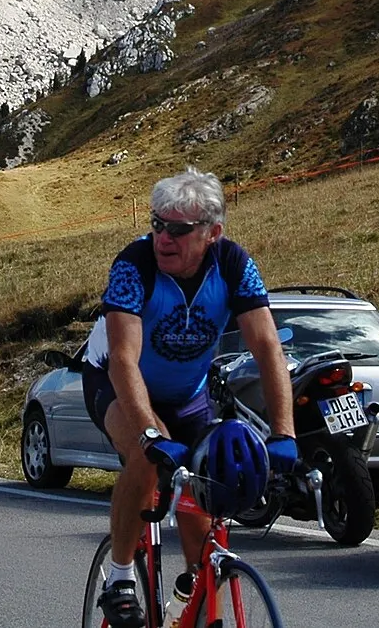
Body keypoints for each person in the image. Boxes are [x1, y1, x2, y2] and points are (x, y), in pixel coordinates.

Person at [83, 169, 297, 628]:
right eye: (157, 224)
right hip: (116, 383)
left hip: (187, 396)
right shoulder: (134, 264)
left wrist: (284, 433)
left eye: (178, 230)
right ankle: (120, 577)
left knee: (204, 514)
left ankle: (191, 595)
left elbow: (267, 348)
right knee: (146, 458)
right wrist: (147, 431)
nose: (163, 237)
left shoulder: (234, 264)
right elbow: (123, 358)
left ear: (212, 233)